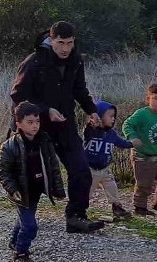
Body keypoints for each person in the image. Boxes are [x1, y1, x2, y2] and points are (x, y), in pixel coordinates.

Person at [10, 21, 105, 233]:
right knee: (32, 176)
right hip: (35, 126)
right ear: (51, 40)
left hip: (64, 123)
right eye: (61, 43)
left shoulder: (76, 60)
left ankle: (76, 217)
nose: (65, 48)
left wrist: (91, 110)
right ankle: (25, 223)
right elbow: (18, 95)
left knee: (80, 168)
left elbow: (79, 89)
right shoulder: (34, 62)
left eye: (69, 43)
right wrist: (45, 110)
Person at [0, 101, 65, 262]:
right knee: (30, 226)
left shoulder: (44, 141)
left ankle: (14, 241)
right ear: (19, 124)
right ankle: (21, 253)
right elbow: (3, 170)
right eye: (30, 122)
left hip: (36, 190)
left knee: (25, 219)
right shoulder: (10, 146)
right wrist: (12, 189)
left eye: (37, 121)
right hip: (21, 192)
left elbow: (53, 166)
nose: (35, 126)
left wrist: (58, 189)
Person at [122, 82, 157, 216]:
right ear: (148, 99)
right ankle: (140, 207)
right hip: (143, 156)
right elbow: (127, 124)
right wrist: (132, 137)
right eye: (156, 98)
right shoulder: (142, 114)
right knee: (144, 184)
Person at [83, 100, 141, 220]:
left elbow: (121, 143)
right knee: (86, 191)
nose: (113, 119)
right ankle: (80, 209)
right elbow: (87, 131)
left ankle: (116, 207)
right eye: (110, 116)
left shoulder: (112, 134)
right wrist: (92, 123)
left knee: (112, 187)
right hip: (90, 169)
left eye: (114, 116)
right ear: (99, 116)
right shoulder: (91, 132)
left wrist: (131, 144)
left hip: (105, 169)